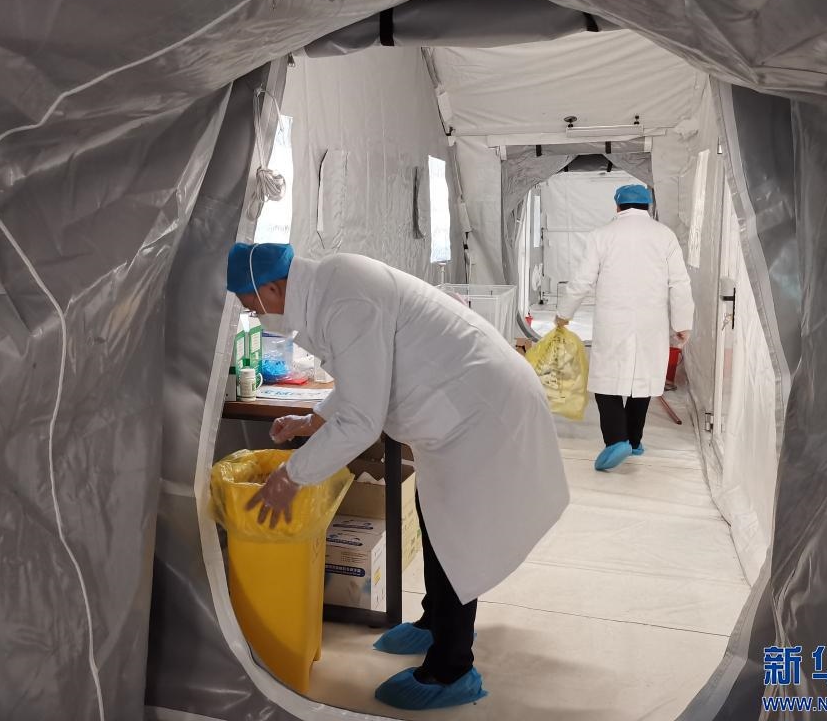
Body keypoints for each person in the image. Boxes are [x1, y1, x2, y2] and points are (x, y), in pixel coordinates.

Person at [226, 242, 569, 711]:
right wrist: (313, 421)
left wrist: (292, 476)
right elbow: (363, 379)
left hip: (480, 409)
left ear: (270, 288)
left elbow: (362, 420)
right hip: (458, 408)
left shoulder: (344, 298)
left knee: (456, 538)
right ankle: (434, 621)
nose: (256, 315)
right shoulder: (331, 286)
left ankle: (451, 669)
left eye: (251, 305)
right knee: (435, 518)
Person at [554, 184, 694, 472]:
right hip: (651, 321)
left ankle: (616, 440)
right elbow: (679, 283)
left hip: (613, 320)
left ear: (617, 206)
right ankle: (634, 439)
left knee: (605, 381)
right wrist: (682, 323)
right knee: (643, 378)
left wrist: (563, 314)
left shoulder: (602, 235)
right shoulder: (664, 236)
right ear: (648, 206)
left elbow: (582, 281)